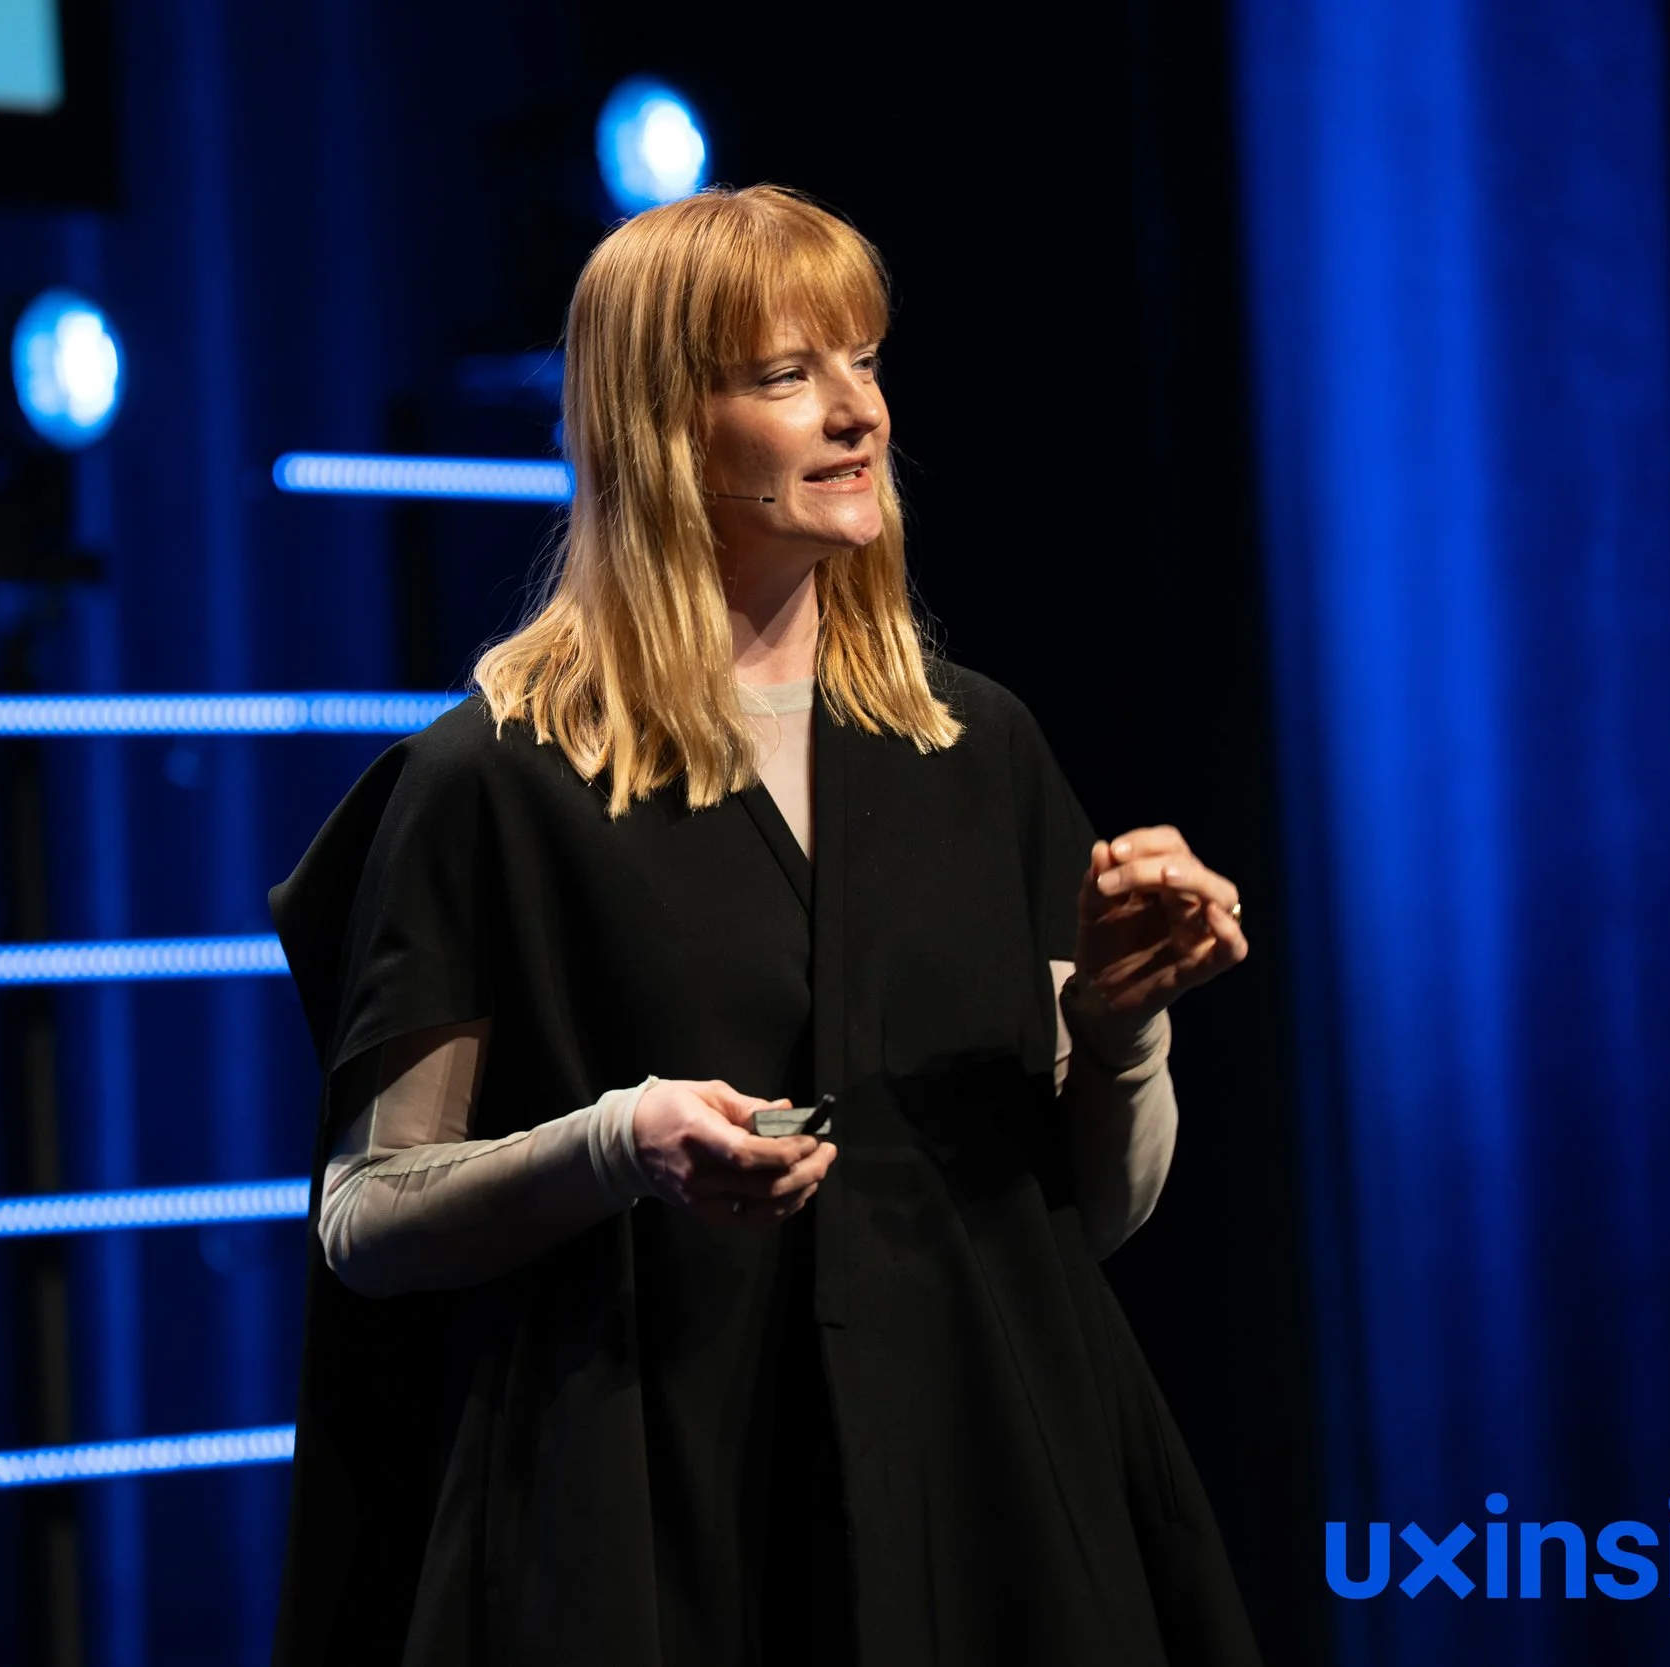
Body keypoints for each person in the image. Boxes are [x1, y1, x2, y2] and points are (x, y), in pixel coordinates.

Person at [270, 185, 1262, 1666]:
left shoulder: (976, 752)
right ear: (664, 430)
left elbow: (1086, 1225)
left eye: (861, 361)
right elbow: (368, 1217)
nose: (855, 412)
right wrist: (613, 1142)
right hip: (653, 1517)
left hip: (988, 1496)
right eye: (787, 375)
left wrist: (1124, 1033)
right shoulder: (495, 781)